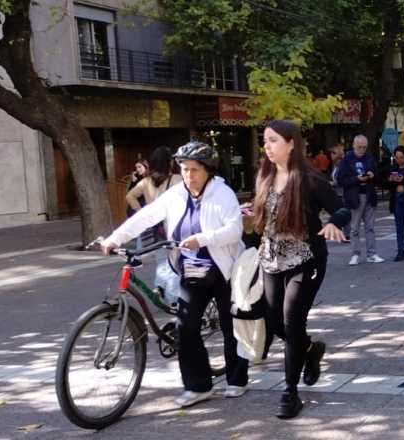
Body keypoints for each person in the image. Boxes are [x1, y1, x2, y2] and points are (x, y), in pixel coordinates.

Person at [102, 141, 249, 408]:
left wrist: (203, 239)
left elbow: (234, 230)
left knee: (231, 326)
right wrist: (115, 238)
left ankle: (237, 379)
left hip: (223, 268)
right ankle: (197, 386)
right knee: (185, 326)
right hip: (192, 268)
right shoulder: (176, 194)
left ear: (208, 171)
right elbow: (145, 216)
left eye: (195, 169)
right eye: (184, 169)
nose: (189, 175)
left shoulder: (222, 193)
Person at [252, 120, 349, 419]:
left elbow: (341, 208)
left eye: (273, 141)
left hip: (306, 260)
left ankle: (290, 392)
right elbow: (264, 222)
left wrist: (334, 223)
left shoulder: (309, 179)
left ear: (291, 143)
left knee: (292, 321)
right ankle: (310, 349)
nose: (267, 146)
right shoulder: (264, 177)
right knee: (275, 323)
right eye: (265, 141)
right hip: (271, 260)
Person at [337, 135, 384, 265]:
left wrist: (372, 175)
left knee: (370, 227)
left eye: (364, 147)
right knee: (354, 228)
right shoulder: (347, 160)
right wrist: (357, 179)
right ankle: (355, 254)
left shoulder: (369, 158)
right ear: (354, 145)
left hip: (369, 195)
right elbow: (341, 180)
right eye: (360, 147)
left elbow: (378, 176)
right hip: (354, 197)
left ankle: (372, 254)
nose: (362, 150)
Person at [328, 143, 350, 243]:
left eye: (332, 153)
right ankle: (341, 234)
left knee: (343, 213)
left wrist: (332, 183)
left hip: (343, 193)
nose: (330, 155)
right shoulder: (335, 166)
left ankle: (347, 234)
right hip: (336, 194)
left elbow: (341, 179)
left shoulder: (342, 165)